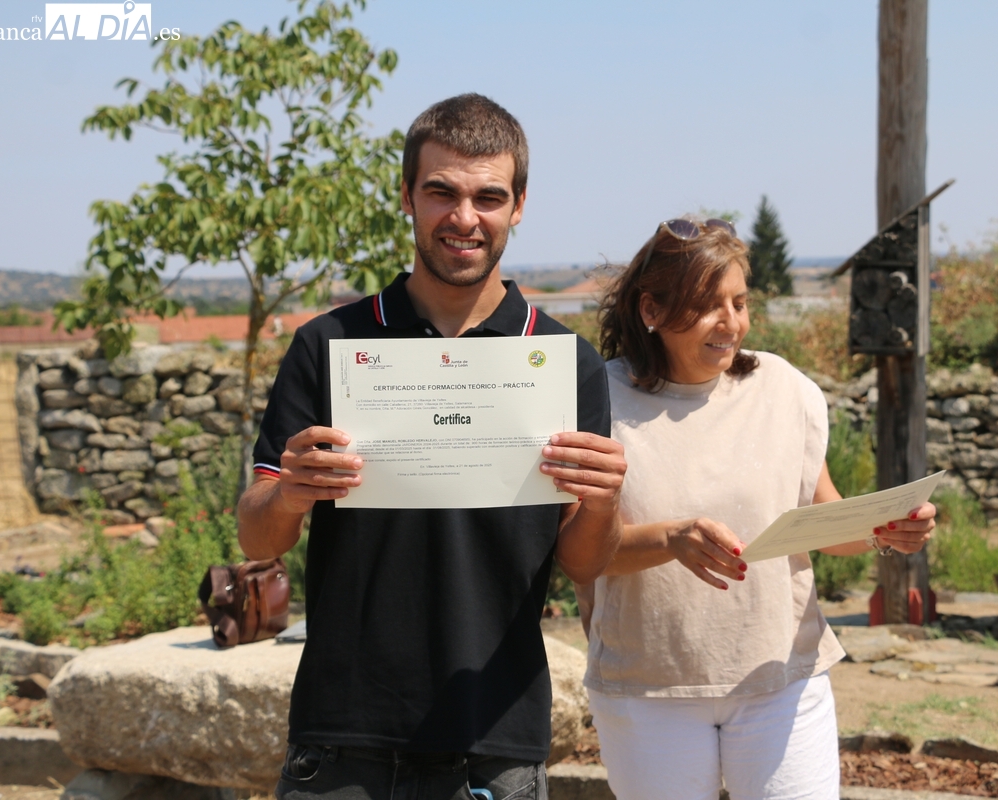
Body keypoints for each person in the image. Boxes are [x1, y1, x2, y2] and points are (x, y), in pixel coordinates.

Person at [237, 94, 627, 800]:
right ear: (406, 197)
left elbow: (584, 562)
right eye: (442, 192)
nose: (464, 217)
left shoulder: (566, 363)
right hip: (342, 736)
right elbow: (256, 535)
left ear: (519, 206)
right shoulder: (329, 346)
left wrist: (603, 503)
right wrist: (289, 494)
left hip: (494, 739)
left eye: (489, 197)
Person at [581, 217, 936, 800]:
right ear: (651, 310)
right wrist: (670, 540)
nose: (731, 322)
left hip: (781, 678)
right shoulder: (597, 399)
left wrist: (883, 529)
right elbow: (584, 556)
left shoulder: (784, 389)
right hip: (648, 689)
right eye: (708, 305)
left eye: (740, 303)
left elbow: (823, 520)